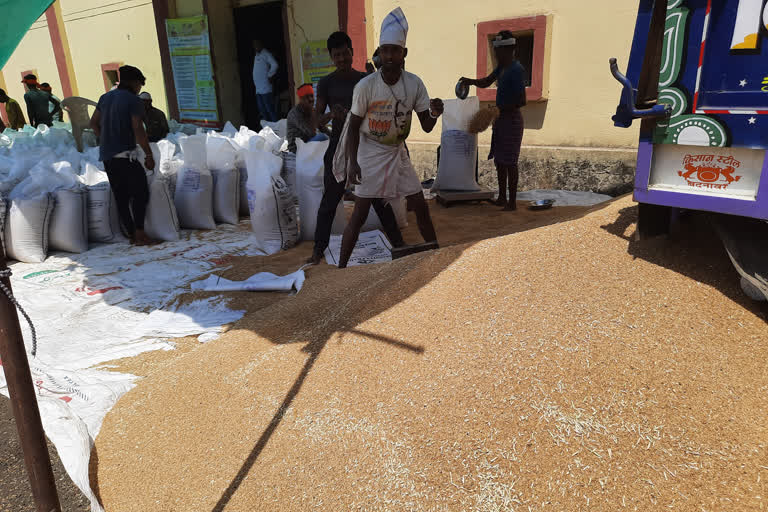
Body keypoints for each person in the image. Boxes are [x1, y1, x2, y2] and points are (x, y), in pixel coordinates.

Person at [336, 8, 442, 269]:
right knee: (360, 213)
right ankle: (340, 270)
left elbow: (427, 126)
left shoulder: (415, 85)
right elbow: (353, 128)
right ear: (380, 53)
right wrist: (353, 163)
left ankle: (438, 258)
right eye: (385, 51)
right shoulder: (366, 87)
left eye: (395, 50)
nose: (389, 56)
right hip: (369, 151)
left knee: (419, 203)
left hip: (397, 151)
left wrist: (435, 113)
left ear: (404, 53)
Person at [306, 31, 406, 265]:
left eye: (345, 53)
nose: (341, 58)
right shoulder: (326, 83)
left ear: (352, 52)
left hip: (367, 148)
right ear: (331, 57)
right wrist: (333, 114)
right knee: (330, 201)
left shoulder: (367, 79)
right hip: (338, 149)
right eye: (336, 55)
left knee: (378, 199)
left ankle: (399, 243)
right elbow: (316, 121)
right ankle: (318, 249)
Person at [459, 31, 526, 210]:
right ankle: (502, 198)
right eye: (496, 52)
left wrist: (498, 109)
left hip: (511, 120)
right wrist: (470, 81)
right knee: (499, 161)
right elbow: (487, 81)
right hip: (500, 119)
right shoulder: (502, 68)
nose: (497, 55)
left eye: (500, 51)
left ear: (510, 50)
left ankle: (512, 202)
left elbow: (521, 101)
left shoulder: (516, 70)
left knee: (510, 162)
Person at [89, 65, 156, 246]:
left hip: (108, 156)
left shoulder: (105, 97)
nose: (139, 89)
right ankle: (141, 234)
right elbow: (137, 129)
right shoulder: (133, 100)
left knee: (121, 197)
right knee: (140, 193)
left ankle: (133, 236)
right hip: (125, 156)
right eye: (139, 85)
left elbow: (93, 122)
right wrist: (149, 155)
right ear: (134, 83)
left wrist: (105, 139)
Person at [252, 39, 279, 122]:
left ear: (261, 44)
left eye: (257, 44)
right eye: (254, 45)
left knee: (270, 111)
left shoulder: (266, 54)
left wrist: (270, 75)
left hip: (266, 88)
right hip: (258, 89)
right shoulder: (257, 55)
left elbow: (275, 64)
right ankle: (267, 130)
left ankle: (275, 129)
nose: (255, 46)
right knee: (262, 111)